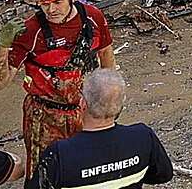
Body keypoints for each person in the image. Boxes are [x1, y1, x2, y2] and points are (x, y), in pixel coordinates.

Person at [0, 0, 117, 187]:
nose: (51, 10)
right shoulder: (30, 30)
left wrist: (109, 102)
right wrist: (3, 45)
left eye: (57, 2)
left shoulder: (93, 19)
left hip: (83, 109)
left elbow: (106, 58)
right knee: (43, 175)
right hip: (43, 114)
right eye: (45, 4)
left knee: (87, 169)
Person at [32, 69, 172, 189]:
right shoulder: (143, 137)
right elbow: (163, 175)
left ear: (83, 104)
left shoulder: (59, 154)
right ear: (120, 105)